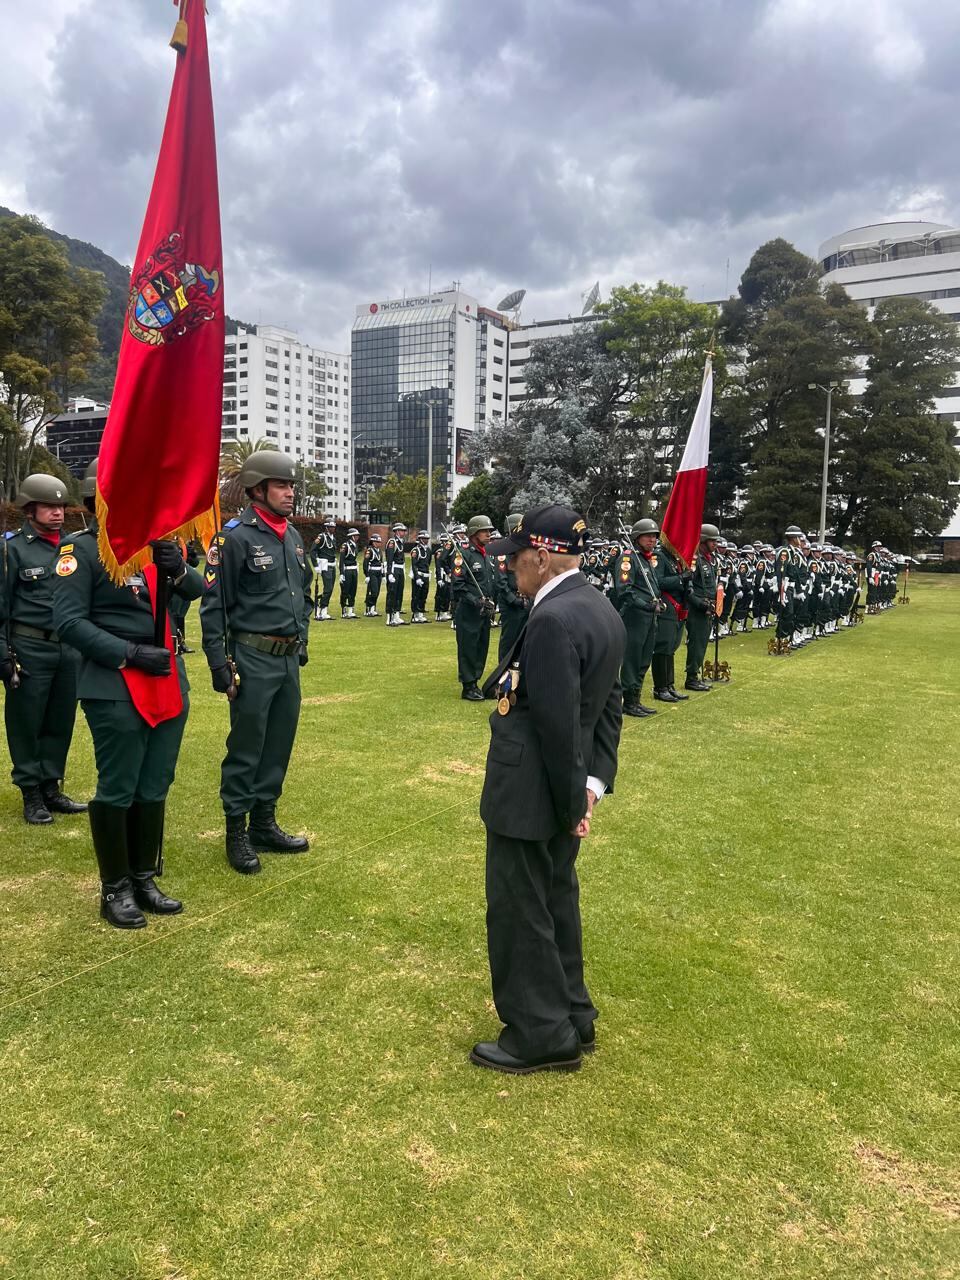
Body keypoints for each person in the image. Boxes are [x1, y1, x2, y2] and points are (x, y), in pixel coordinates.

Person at [473, 504, 625, 1075]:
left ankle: (540, 1032)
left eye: (515, 559)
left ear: (541, 555)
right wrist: (591, 785)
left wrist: (571, 803)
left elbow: (559, 726)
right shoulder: (598, 607)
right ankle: (572, 1013)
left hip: (531, 793)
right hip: (563, 789)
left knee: (520, 909)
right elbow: (608, 710)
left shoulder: (552, 619)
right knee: (556, 899)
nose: (510, 568)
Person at [53, 457, 202, 928]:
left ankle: (144, 877)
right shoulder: (83, 552)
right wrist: (129, 653)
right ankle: (114, 887)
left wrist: (177, 567)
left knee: (155, 782)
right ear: (98, 500)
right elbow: (68, 622)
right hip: (116, 681)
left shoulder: (157, 546)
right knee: (118, 785)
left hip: (167, 680)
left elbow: (196, 588)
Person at [199, 450, 312, 875]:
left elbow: (304, 594)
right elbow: (214, 607)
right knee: (246, 748)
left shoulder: (292, 537)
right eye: (281, 485)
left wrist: (302, 639)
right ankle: (237, 831)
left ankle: (264, 822)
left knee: (279, 744)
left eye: (291, 485)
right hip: (251, 657)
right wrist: (218, 664)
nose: (290, 492)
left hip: (286, 660)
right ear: (257, 489)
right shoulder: (234, 539)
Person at [1, 473, 86, 824]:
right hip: (29, 645)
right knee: (27, 721)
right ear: (30, 508)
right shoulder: (11, 548)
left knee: (60, 720)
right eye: (49, 506)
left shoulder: (73, 547)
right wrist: (3, 650)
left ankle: (51, 786)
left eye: (61, 506)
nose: (57, 513)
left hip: (68, 647)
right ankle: (31, 792)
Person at [615, 518, 664, 718]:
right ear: (637, 537)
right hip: (634, 616)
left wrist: (658, 602)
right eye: (648, 536)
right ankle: (629, 701)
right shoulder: (628, 559)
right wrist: (646, 605)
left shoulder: (645, 558)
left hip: (650, 617)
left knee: (644, 659)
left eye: (654, 536)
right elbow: (624, 590)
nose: (652, 539)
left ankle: (637, 698)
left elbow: (651, 588)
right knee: (632, 659)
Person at [451, 514, 496, 701]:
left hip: (484, 611)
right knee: (468, 648)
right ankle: (468, 686)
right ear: (474, 533)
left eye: (489, 531)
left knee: (481, 646)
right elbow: (458, 586)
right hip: (469, 611)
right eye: (484, 531)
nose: (488, 534)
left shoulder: (486, 555)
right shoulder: (463, 555)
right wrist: (476, 601)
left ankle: (476, 681)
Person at [650, 535, 690, 704]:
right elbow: (658, 581)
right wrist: (681, 579)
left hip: (677, 607)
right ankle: (660, 688)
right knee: (663, 647)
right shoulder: (659, 556)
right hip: (666, 606)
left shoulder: (675, 558)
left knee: (671, 647)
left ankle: (669, 685)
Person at [684, 524, 719, 691]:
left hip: (709, 607)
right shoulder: (695, 559)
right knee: (696, 643)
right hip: (698, 608)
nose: (716, 544)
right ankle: (691, 678)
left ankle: (695, 675)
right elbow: (688, 587)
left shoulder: (709, 559)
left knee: (703, 642)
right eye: (713, 540)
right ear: (704, 540)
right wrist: (700, 603)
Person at [494, 513, 528, 660]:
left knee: (525, 639)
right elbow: (501, 582)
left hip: (526, 600)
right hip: (511, 602)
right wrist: (514, 600)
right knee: (509, 640)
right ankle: (504, 671)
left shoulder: (524, 550)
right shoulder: (503, 553)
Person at [309, 517, 337, 621]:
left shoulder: (333, 538)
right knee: (328, 588)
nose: (333, 529)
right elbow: (312, 551)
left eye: (334, 527)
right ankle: (321, 609)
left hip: (332, 565)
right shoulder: (321, 537)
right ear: (326, 527)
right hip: (324, 565)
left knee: (330, 589)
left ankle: (324, 609)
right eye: (330, 527)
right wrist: (316, 565)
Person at [384, 522, 408, 626]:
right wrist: (389, 573)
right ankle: (389, 617)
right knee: (392, 594)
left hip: (400, 570)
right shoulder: (392, 542)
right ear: (397, 531)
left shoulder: (400, 542)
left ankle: (397, 616)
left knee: (399, 593)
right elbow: (389, 559)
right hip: (393, 570)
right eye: (402, 531)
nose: (404, 533)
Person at [410, 530, 432, 623]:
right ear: (420, 539)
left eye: (427, 539)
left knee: (424, 595)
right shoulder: (416, 550)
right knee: (416, 595)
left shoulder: (428, 550)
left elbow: (429, 563)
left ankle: (421, 613)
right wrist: (417, 578)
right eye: (424, 539)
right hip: (418, 575)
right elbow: (414, 565)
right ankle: (415, 614)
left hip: (426, 575)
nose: (426, 540)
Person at [338, 526, 360, 619]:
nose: (357, 537)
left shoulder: (355, 546)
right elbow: (341, 560)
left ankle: (351, 610)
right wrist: (342, 573)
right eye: (356, 535)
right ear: (352, 536)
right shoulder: (345, 546)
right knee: (345, 591)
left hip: (354, 570)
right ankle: (344, 610)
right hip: (347, 570)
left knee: (353, 590)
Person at [362, 532, 384, 617]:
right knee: (372, 591)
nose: (379, 544)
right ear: (373, 542)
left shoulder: (379, 551)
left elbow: (381, 563)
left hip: (379, 572)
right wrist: (367, 575)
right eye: (378, 542)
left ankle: (373, 609)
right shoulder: (369, 550)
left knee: (377, 591)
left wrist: (383, 575)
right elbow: (365, 563)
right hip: (372, 572)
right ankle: (368, 608)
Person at [433, 532, 454, 622]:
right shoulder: (440, 551)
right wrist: (439, 578)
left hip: (447, 574)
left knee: (447, 594)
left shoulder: (448, 551)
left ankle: (444, 611)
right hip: (441, 573)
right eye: (445, 541)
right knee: (440, 594)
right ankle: (438, 613)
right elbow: (438, 565)